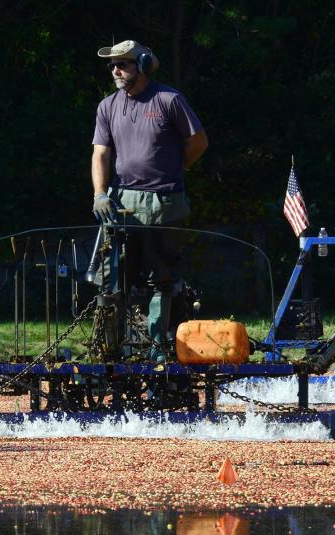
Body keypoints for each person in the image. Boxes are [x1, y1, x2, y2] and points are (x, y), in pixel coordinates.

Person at [91, 39, 208, 358]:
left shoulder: (169, 99)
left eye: (123, 63)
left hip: (163, 201)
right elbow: (100, 152)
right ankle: (111, 349)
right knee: (113, 278)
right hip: (122, 201)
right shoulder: (108, 106)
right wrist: (100, 194)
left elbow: (198, 141)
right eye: (113, 65)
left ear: (142, 64)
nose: (116, 69)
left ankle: (158, 348)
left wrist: (177, 166)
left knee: (162, 277)